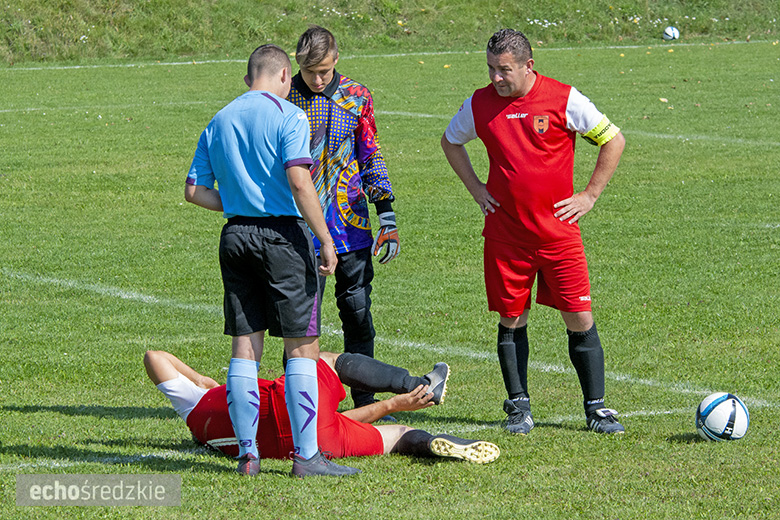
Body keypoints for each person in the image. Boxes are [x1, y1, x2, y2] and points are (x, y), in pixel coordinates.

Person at [441, 29, 627, 435]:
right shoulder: (479, 104)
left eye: (504, 70)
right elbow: (451, 141)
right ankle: (518, 407)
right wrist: (477, 190)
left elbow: (613, 139)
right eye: (490, 69)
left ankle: (596, 409)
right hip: (507, 237)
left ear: (529, 65)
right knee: (512, 318)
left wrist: (589, 195)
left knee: (579, 317)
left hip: (559, 235)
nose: (496, 78)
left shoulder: (564, 98)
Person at [184, 44, 356, 477]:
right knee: (301, 345)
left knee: (245, 345)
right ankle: (306, 456)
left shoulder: (219, 119)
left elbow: (193, 191)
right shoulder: (289, 116)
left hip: (235, 235)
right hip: (283, 236)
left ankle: (248, 456)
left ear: (249, 79)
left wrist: (241, 202)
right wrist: (326, 239)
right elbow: (299, 181)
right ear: (284, 75)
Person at [286, 26, 399, 410]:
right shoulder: (283, 99)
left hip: (351, 227)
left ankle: (363, 398)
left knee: (357, 311)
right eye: (310, 72)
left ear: (337, 59)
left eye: (325, 71)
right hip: (298, 228)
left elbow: (370, 155)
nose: (318, 79)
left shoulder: (357, 96)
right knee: (301, 322)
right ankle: (298, 403)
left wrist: (386, 214)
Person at [144, 350, 500, 467]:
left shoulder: (198, 419)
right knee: (323, 360)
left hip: (298, 446)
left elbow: (337, 421)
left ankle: (427, 443)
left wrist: (394, 408)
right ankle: (417, 385)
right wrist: (203, 379)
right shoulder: (198, 402)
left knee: (397, 436)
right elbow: (154, 357)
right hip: (283, 403)